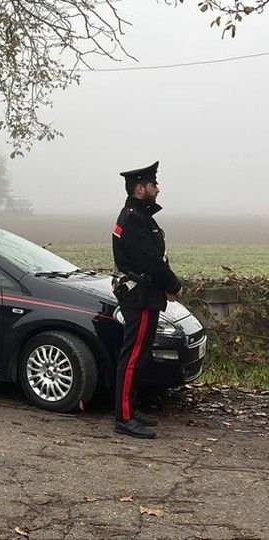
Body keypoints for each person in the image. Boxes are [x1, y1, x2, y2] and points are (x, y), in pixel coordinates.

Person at [111, 161, 182, 439]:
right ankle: (124, 418)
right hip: (138, 298)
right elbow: (151, 262)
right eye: (153, 184)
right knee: (131, 358)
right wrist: (173, 285)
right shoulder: (133, 219)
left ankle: (132, 408)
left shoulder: (141, 215)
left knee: (139, 357)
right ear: (141, 188)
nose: (157, 188)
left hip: (147, 296)